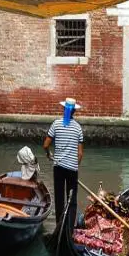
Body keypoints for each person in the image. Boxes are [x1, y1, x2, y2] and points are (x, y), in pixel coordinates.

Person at [43, 98, 84, 230]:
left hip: (58, 167)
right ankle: (70, 229)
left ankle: (59, 227)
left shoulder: (56, 124)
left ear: (64, 109)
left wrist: (48, 154)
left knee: (59, 198)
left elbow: (46, 145)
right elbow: (80, 154)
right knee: (71, 200)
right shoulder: (78, 128)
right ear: (74, 111)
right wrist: (75, 165)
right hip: (72, 169)